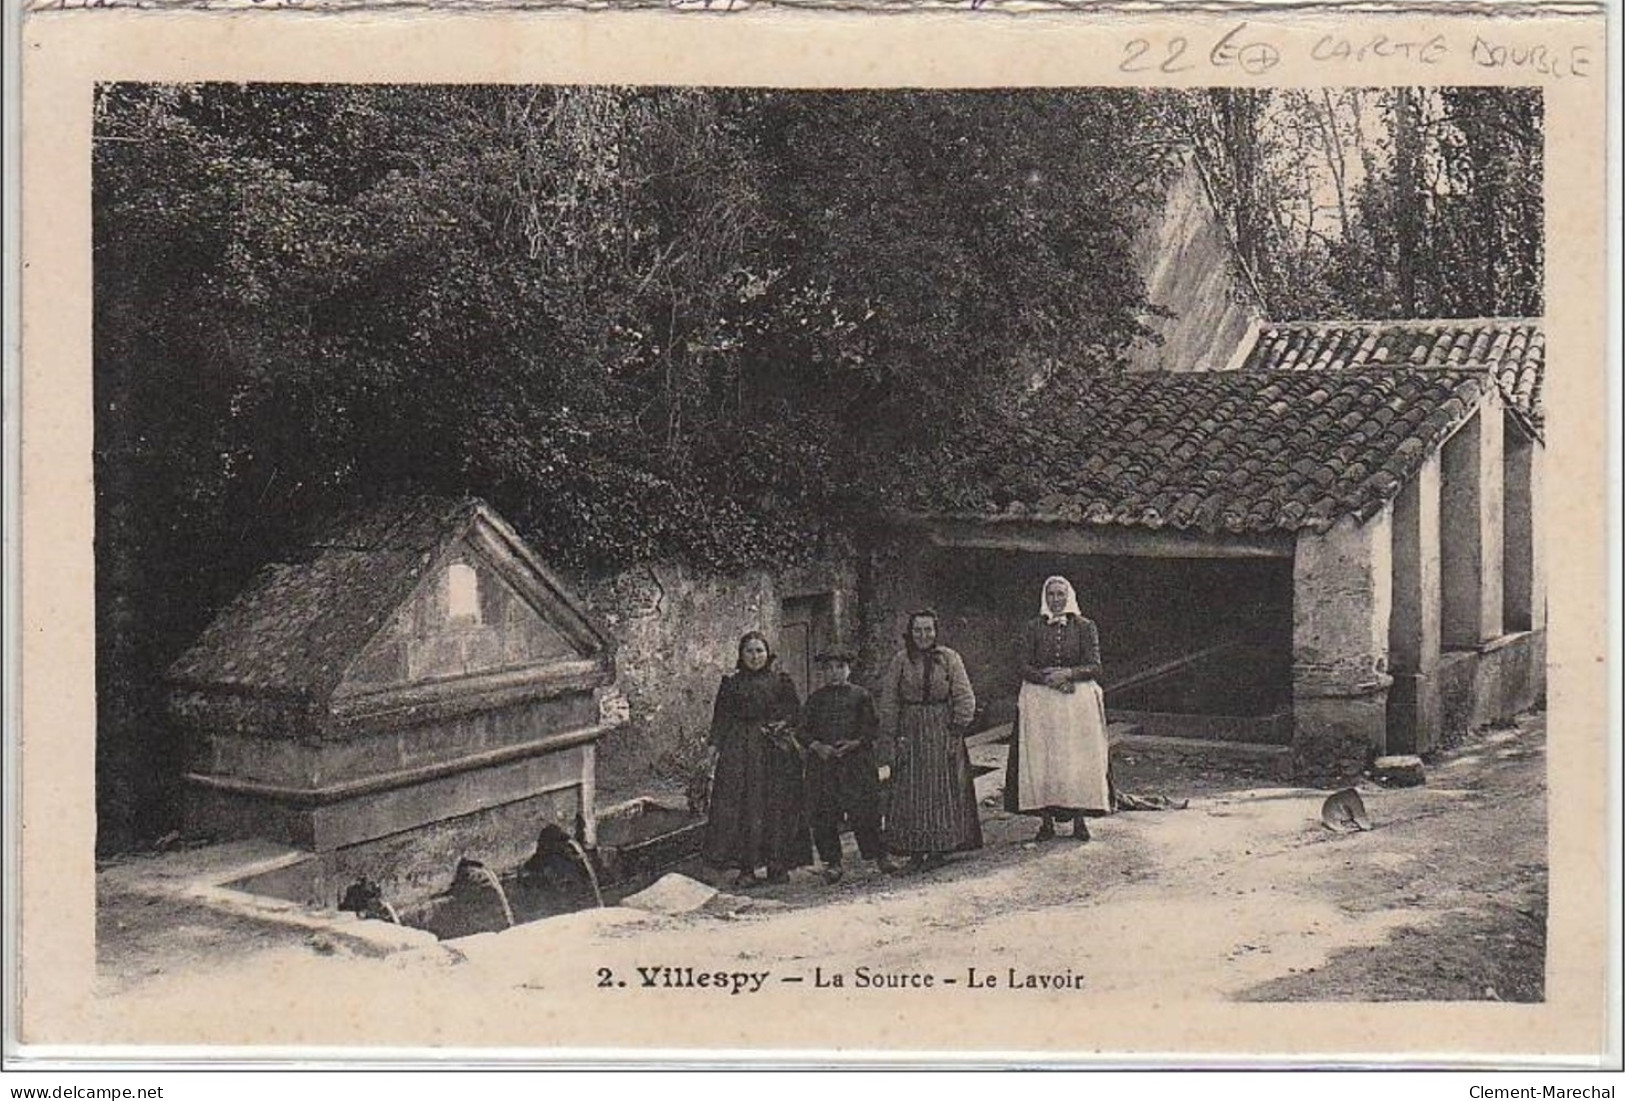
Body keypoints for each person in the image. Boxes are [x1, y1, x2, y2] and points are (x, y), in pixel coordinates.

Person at [701, 631, 813, 888]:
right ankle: (747, 868)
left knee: (777, 806)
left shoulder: (781, 682)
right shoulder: (731, 684)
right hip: (740, 751)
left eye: (759, 651)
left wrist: (781, 724)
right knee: (744, 808)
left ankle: (776, 864)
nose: (755, 656)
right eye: (749, 651)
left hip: (774, 751)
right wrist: (712, 752)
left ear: (768, 654)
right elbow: (721, 720)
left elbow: (795, 713)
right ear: (741, 655)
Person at [1004, 576, 1111, 842]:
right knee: (1044, 759)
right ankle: (1046, 821)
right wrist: (1047, 679)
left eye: (1060, 594)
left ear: (1069, 596)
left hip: (1076, 702)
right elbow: (1022, 665)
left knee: (1077, 758)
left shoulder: (1086, 627)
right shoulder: (1032, 628)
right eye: (1051, 594)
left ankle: (1079, 819)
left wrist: (1069, 674)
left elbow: (1095, 665)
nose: (1055, 599)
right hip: (1041, 701)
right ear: (1044, 598)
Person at [878, 609, 983, 873]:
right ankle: (915, 850)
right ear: (910, 633)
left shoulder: (949, 658)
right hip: (910, 730)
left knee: (940, 788)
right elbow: (890, 701)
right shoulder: (901, 661)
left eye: (928, 630)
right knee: (910, 790)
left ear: (935, 632)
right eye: (917, 631)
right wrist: (890, 738)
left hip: (941, 729)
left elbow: (964, 696)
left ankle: (939, 847)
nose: (923, 636)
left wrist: (956, 729)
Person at [802, 647, 898, 882]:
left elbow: (872, 728)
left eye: (840, 668)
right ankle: (833, 863)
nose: (835, 673)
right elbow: (802, 730)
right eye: (829, 668)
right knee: (824, 813)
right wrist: (817, 747)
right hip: (824, 765)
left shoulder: (861, 696)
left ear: (849, 669)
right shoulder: (815, 700)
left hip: (856, 763)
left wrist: (854, 744)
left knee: (866, 810)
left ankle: (880, 856)